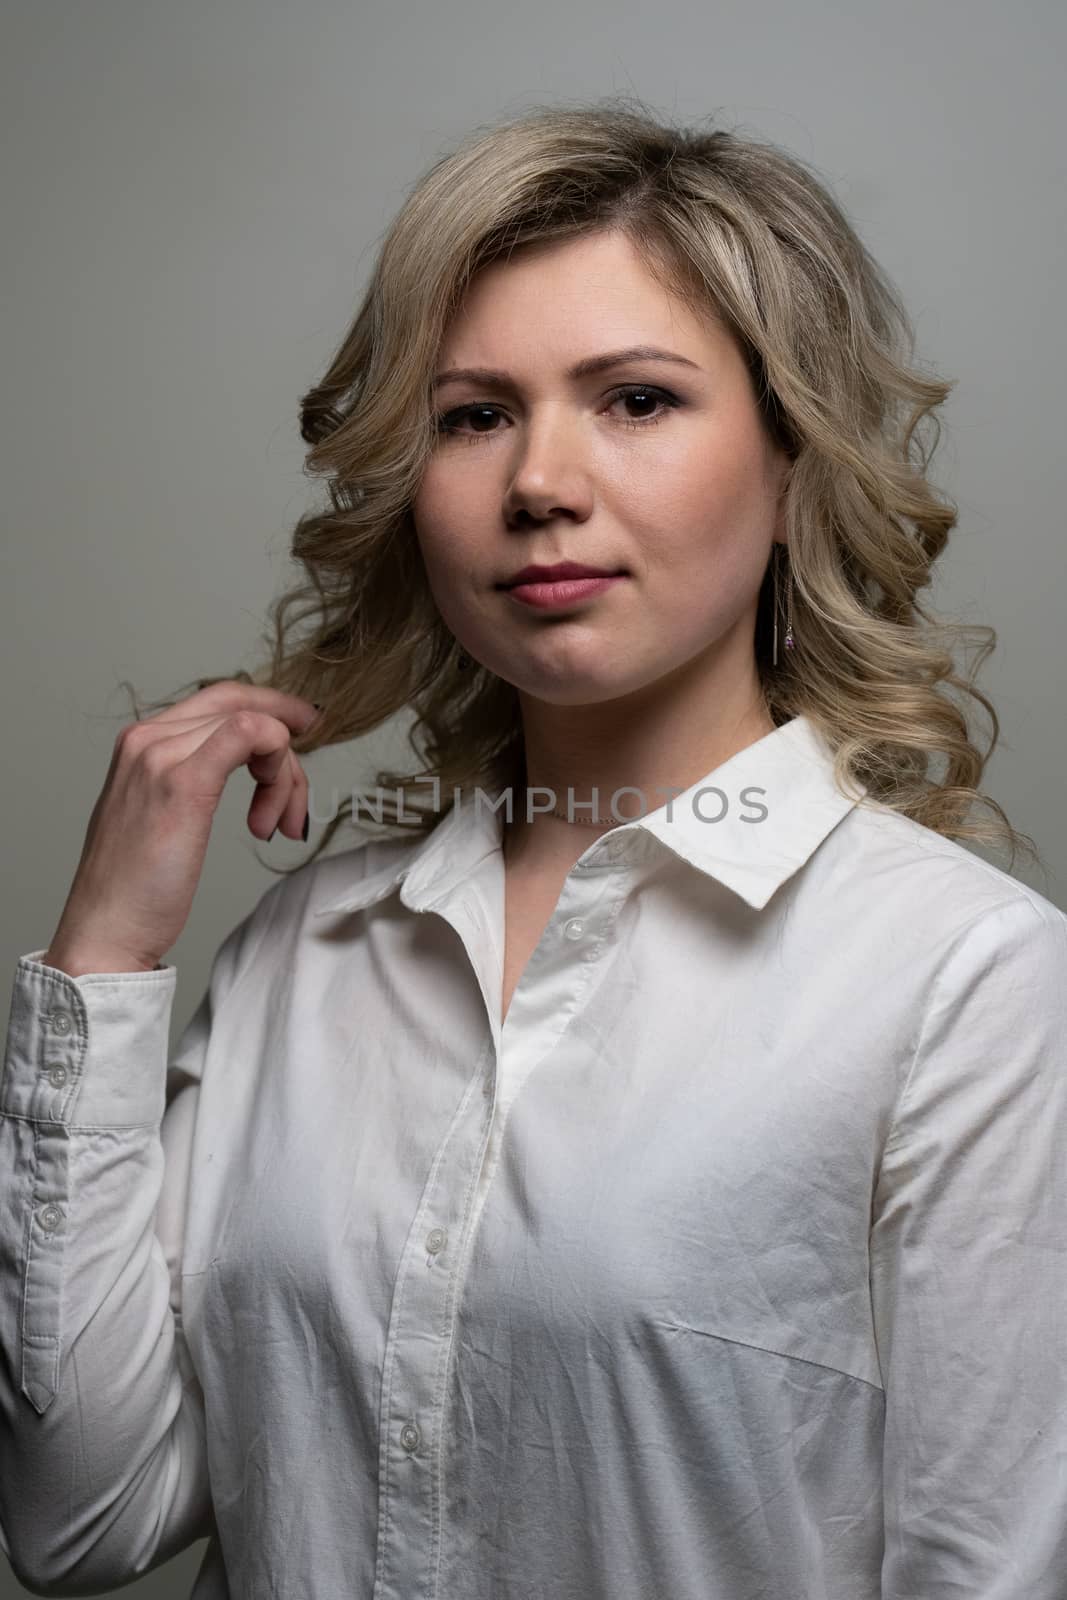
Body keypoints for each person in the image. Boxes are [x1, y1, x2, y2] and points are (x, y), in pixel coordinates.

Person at [1, 96, 1065, 1599]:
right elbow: (79, 1520)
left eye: (636, 400)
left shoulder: (963, 979)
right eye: (473, 413)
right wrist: (106, 961)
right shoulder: (304, 956)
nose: (539, 485)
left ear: (789, 465)